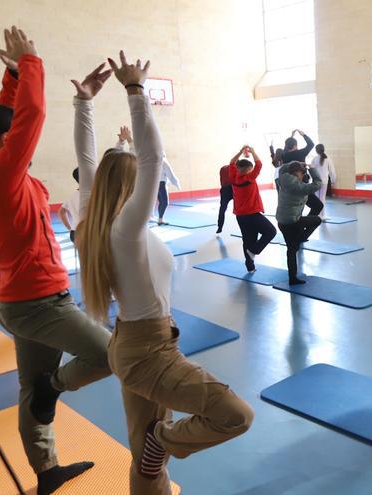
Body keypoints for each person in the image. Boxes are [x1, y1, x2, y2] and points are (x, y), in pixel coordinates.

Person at [74, 54, 254, 494]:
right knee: (234, 415)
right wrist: (136, 92)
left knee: (145, 465)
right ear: (130, 188)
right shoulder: (126, 231)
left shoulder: (92, 224)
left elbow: (86, 160)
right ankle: (165, 440)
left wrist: (84, 105)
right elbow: (153, 159)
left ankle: (155, 452)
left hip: (132, 346)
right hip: (149, 353)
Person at [0, 27, 112, 494]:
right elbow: (31, 114)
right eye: (14, 137)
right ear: (6, 141)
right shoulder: (1, 175)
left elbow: (5, 121)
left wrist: (10, 76)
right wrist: (30, 65)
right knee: (110, 355)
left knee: (31, 388)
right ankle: (55, 388)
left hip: (22, 302)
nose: (23, 141)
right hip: (38, 303)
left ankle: (46, 472)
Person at [115, 126, 180, 225]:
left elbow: (170, 174)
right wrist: (126, 139)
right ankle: (149, 217)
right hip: (144, 183)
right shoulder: (142, 158)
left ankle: (157, 217)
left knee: (157, 201)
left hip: (155, 183)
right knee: (146, 202)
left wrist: (124, 140)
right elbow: (133, 152)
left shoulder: (160, 159)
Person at [226, 145, 275, 272]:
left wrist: (240, 152)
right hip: (252, 215)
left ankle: (250, 266)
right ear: (248, 169)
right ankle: (254, 251)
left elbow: (231, 162)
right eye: (251, 169)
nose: (252, 170)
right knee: (271, 231)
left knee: (248, 240)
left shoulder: (233, 177)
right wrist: (252, 151)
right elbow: (259, 164)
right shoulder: (249, 177)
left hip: (240, 216)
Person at [276, 161, 323, 285]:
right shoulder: (298, 187)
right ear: (297, 173)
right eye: (302, 173)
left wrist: (296, 164)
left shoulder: (283, 177)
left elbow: (283, 168)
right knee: (317, 220)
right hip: (293, 222)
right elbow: (318, 183)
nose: (303, 176)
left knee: (291, 250)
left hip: (281, 221)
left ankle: (292, 278)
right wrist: (312, 169)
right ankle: (302, 237)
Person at [280, 129, 323, 215]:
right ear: (295, 145)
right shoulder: (300, 153)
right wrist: (303, 134)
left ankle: (300, 224)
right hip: (301, 185)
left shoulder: (284, 155)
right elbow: (311, 144)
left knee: (298, 208)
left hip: (289, 186)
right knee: (318, 205)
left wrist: (291, 137)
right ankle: (307, 224)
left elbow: (286, 147)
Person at [310, 143, 336, 214]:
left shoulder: (315, 159)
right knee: (322, 198)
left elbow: (311, 170)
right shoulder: (328, 159)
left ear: (316, 150)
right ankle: (322, 214)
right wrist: (333, 180)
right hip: (324, 181)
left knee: (317, 198)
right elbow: (332, 171)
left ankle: (317, 214)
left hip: (316, 181)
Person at [58, 168, 81, 243]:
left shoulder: (72, 196)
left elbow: (61, 212)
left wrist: (70, 228)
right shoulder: (91, 195)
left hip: (75, 232)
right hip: (86, 233)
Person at [215, 156, 234, 234]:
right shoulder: (235, 168)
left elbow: (221, 180)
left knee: (222, 209)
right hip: (234, 188)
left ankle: (220, 226)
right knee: (241, 210)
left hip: (224, 189)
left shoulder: (223, 168)